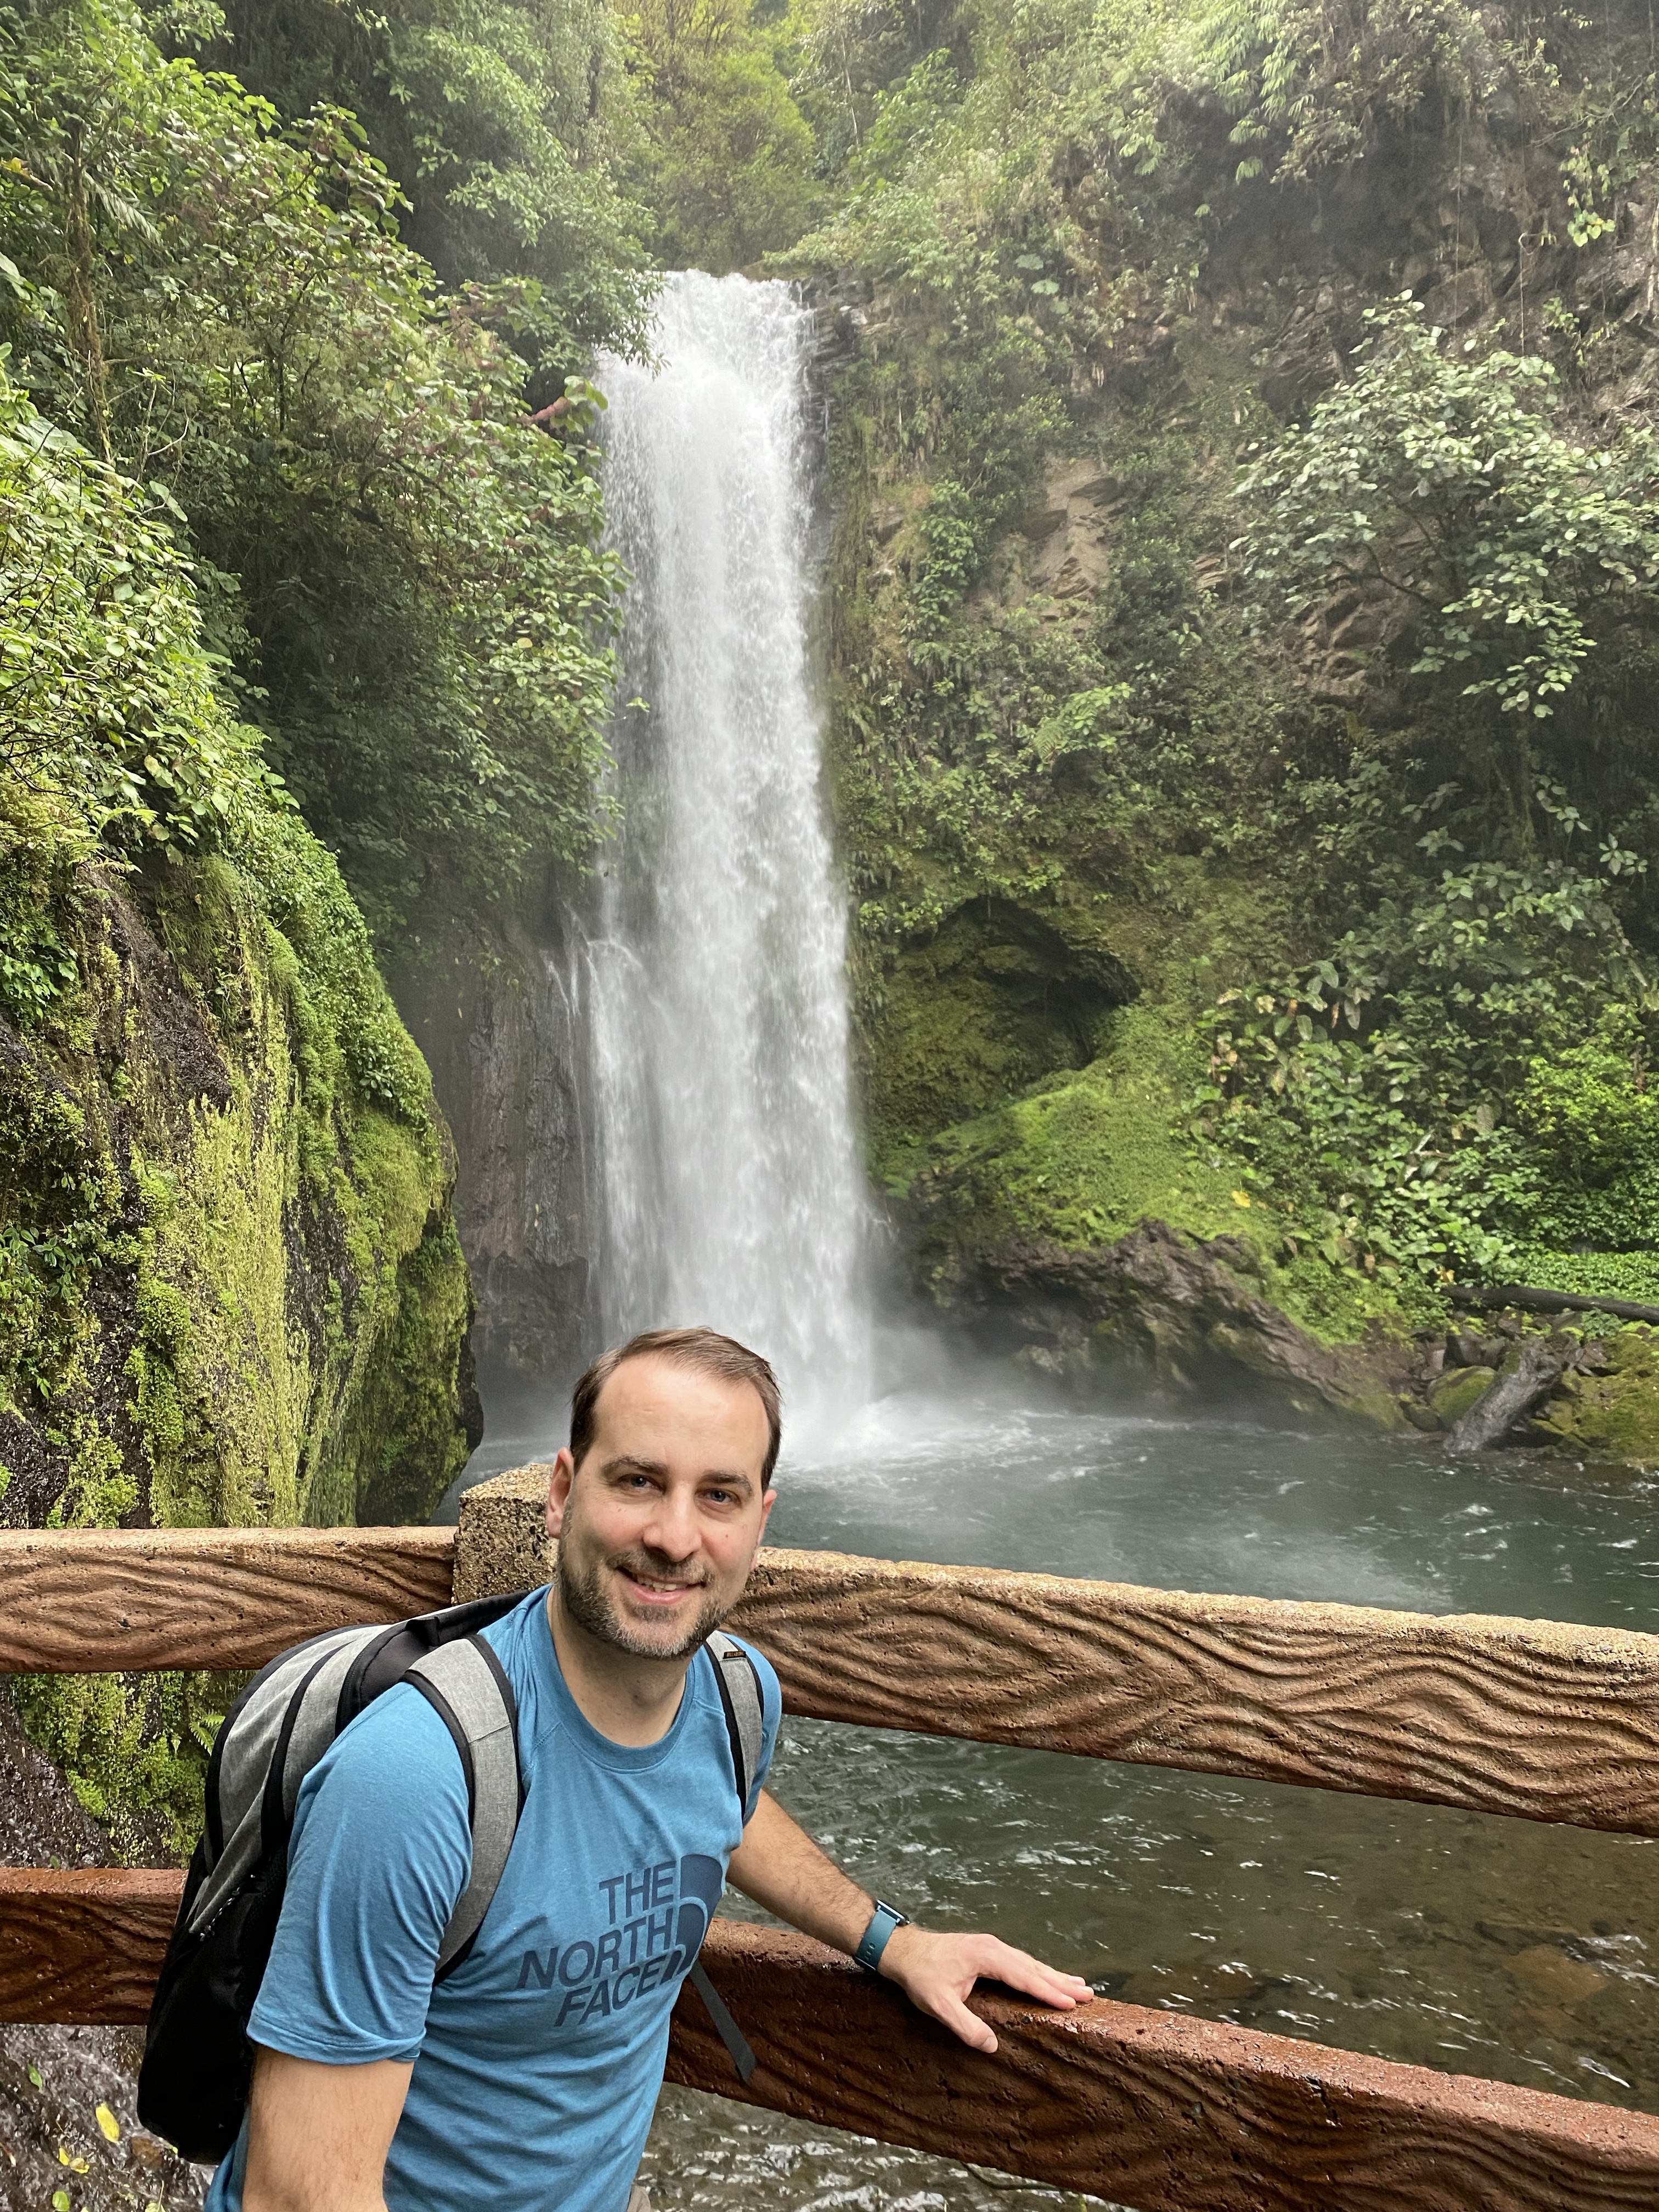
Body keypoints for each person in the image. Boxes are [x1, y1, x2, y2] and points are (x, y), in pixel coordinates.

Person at [210, 1327, 1091, 2212]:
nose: (674, 1537)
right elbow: (299, 2197)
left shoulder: (736, 1697)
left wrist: (891, 1942)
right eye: (638, 1481)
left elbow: (718, 1804)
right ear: (562, 1494)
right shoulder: (413, 1780)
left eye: (719, 1495)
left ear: (759, 1524)